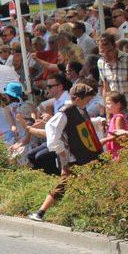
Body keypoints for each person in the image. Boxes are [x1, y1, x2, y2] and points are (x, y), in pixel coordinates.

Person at [28, 83, 103, 222]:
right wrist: (63, 158)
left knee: (83, 183)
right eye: (87, 99)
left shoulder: (79, 109)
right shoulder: (65, 112)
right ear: (78, 98)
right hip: (72, 156)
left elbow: (82, 125)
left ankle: (83, 212)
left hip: (82, 155)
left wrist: (99, 122)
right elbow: (52, 130)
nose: (88, 102)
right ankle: (40, 212)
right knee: (64, 183)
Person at [101, 92, 127, 161]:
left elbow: (119, 136)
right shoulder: (115, 117)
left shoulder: (118, 118)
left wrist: (104, 140)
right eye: (106, 104)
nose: (106, 106)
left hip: (119, 151)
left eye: (109, 103)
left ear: (118, 104)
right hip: (115, 150)